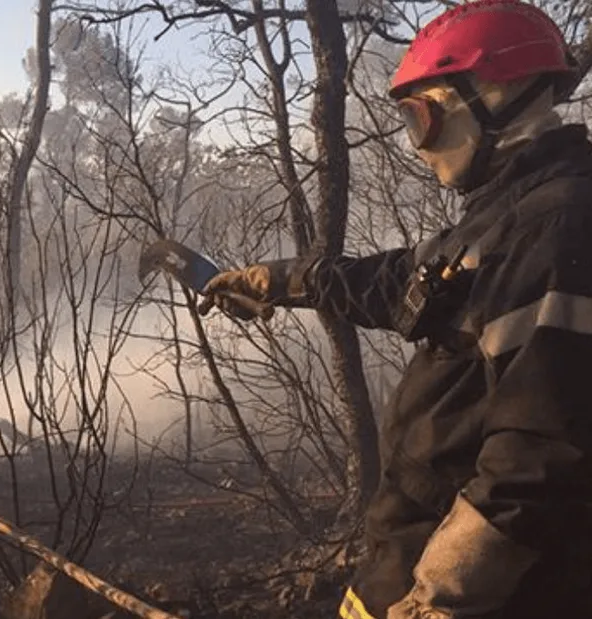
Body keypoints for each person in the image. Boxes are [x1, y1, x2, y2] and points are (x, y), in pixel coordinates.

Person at [199, 1, 592, 617]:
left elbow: (538, 454)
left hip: (481, 592)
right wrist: (282, 280)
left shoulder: (558, 223)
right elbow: (400, 284)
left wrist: (436, 598)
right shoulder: (504, 219)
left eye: (421, 118)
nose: (416, 146)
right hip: (408, 557)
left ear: (495, 97)